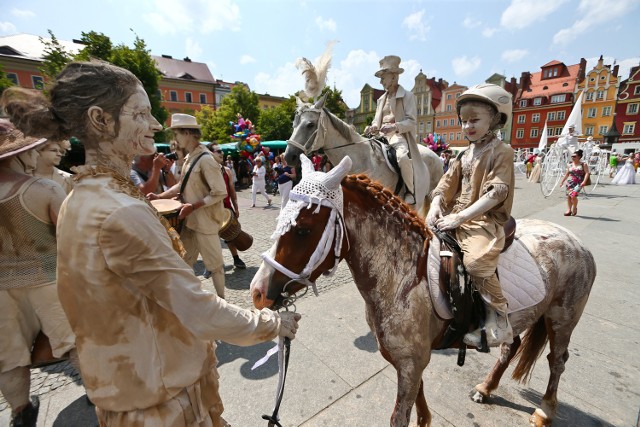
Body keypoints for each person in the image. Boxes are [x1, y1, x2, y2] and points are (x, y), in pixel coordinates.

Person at [2, 62, 301, 426]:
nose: (156, 126)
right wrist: (270, 323)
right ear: (101, 120)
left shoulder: (82, 195)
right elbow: (197, 309)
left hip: (133, 382)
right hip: (160, 398)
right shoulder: (118, 211)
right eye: (141, 114)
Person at [0, 119, 80, 427]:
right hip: (49, 279)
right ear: (17, 155)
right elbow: (73, 240)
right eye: (31, 149)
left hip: (2, 290)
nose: (35, 155)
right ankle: (101, 398)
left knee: (8, 357)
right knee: (74, 342)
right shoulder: (43, 188)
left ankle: (20, 412)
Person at [426, 83, 515, 348]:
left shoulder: (502, 152)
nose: (468, 127)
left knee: (476, 263)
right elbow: (445, 185)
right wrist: (435, 206)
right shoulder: (464, 154)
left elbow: (497, 193)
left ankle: (500, 320)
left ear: (496, 120)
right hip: (455, 215)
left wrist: (459, 218)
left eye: (474, 120)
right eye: (464, 121)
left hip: (482, 219)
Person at [150, 113, 228, 298]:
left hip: (205, 222)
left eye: (176, 134)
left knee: (215, 265)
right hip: (190, 220)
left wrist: (193, 206)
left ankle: (223, 302)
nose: (175, 140)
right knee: (184, 261)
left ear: (187, 133)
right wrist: (159, 195)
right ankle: (188, 299)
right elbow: (181, 185)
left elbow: (220, 191)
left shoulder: (206, 160)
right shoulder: (189, 159)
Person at [364, 55, 421, 205]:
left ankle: (410, 191)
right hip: (380, 137)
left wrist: (394, 126)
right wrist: (372, 127)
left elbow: (411, 121)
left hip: (397, 136)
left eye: (383, 77)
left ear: (394, 77)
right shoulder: (381, 99)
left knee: (402, 157)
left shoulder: (408, 96)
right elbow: (377, 122)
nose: (381, 81)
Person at [208, 143, 246, 269]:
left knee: (231, 235)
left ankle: (236, 258)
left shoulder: (227, 170)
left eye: (221, 151)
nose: (221, 153)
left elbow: (232, 191)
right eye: (218, 151)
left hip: (226, 209)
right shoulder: (205, 172)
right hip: (210, 210)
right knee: (212, 238)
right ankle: (215, 263)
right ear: (210, 153)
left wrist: (236, 208)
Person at [559, 149, 590, 216]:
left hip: (579, 183)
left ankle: (574, 207)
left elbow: (587, 173)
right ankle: (569, 210)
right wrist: (562, 181)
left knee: (573, 196)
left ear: (579, 157)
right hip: (570, 182)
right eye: (572, 156)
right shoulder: (570, 164)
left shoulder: (583, 164)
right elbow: (567, 174)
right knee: (569, 197)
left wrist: (584, 181)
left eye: (574, 156)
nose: (572, 157)